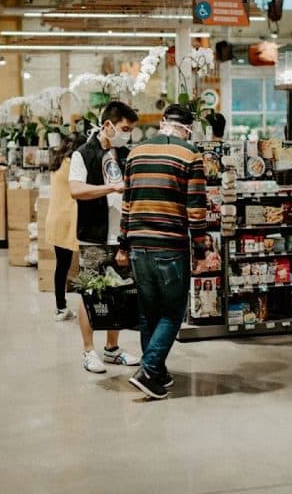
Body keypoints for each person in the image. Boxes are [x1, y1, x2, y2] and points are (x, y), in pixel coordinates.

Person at [117, 104, 207, 399]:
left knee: (149, 312)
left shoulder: (135, 152)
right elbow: (195, 209)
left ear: (162, 123)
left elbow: (126, 204)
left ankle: (157, 373)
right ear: (188, 128)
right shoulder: (190, 154)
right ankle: (149, 367)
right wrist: (202, 250)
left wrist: (123, 244)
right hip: (170, 245)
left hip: (138, 244)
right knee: (172, 312)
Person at [69, 101, 141, 373]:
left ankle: (112, 348)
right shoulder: (83, 154)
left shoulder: (126, 154)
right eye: (124, 128)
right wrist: (109, 187)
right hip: (94, 236)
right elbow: (75, 190)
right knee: (91, 293)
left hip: (122, 236)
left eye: (131, 129)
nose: (127, 133)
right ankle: (89, 351)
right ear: (108, 125)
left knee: (119, 292)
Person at [45, 134, 80, 321]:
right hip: (68, 218)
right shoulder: (71, 163)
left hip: (55, 217)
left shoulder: (57, 162)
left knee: (62, 265)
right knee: (67, 264)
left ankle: (61, 307)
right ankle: (62, 307)